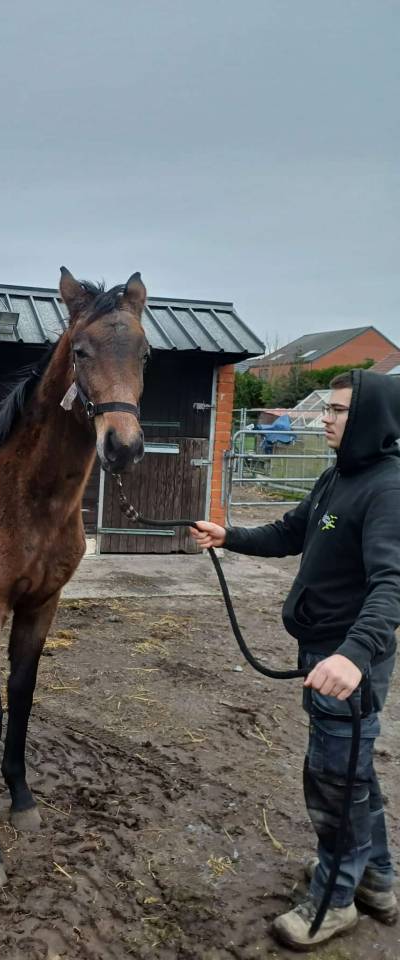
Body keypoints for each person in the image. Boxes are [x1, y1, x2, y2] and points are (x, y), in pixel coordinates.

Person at [191, 369, 400, 951]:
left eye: (337, 411)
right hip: (324, 654)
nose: (325, 419)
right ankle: (377, 881)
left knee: (334, 781)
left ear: (369, 420)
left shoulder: (389, 488)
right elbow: (291, 530)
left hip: (346, 664)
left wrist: (354, 656)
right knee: (353, 772)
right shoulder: (340, 476)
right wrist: (228, 536)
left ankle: (334, 901)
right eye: (328, 409)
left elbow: (392, 584)